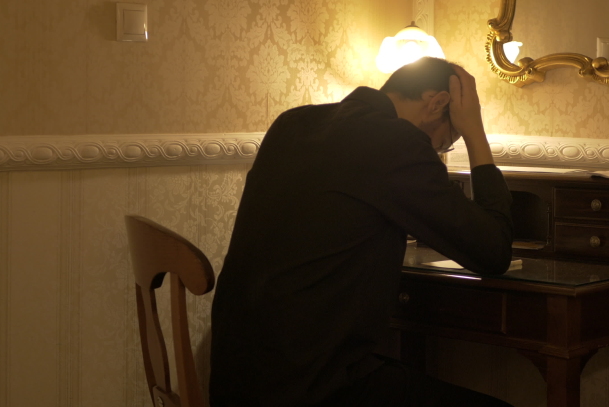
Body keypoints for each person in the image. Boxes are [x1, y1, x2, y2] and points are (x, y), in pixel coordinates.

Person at [210, 57, 514, 407]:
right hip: (315, 388)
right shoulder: (395, 141)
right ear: (438, 104)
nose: (438, 152)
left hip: (238, 381)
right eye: (446, 142)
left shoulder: (292, 122)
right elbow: (493, 251)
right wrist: (475, 134)